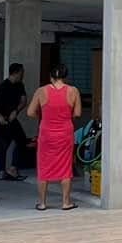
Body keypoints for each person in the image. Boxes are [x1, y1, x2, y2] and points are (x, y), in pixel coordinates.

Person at [28, 61, 81, 209]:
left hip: (46, 133)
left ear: (51, 76)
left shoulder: (41, 91)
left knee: (44, 166)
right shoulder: (73, 91)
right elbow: (77, 113)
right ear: (65, 76)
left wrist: (43, 114)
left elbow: (30, 112)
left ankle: (43, 203)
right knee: (65, 166)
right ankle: (65, 202)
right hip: (65, 133)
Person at [0, 62, 30, 181]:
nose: (23, 75)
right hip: (2, 120)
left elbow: (23, 100)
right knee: (5, 143)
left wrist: (16, 111)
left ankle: (11, 168)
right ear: (16, 73)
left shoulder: (19, 85)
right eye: (22, 73)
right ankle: (5, 170)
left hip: (12, 118)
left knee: (20, 140)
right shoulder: (3, 86)